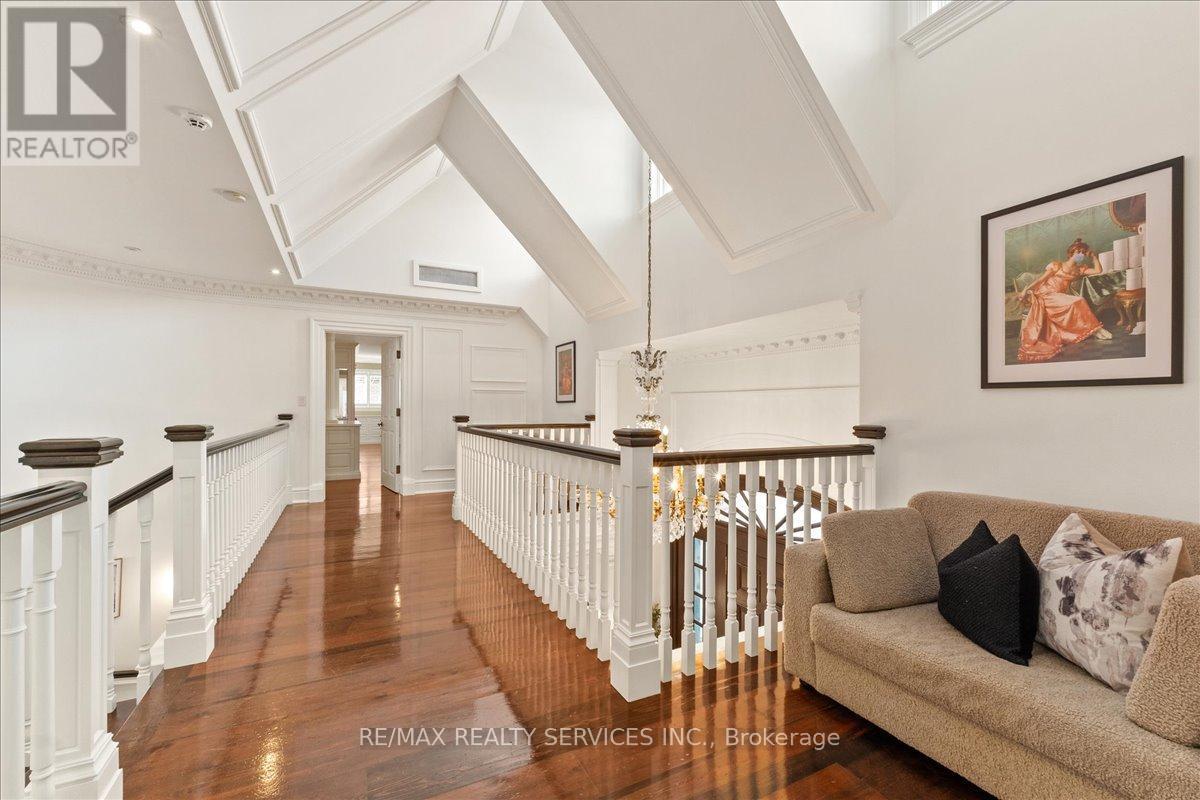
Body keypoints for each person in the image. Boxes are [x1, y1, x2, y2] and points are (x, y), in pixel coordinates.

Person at [1017, 238, 1113, 362]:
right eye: (1078, 252)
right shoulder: (1057, 265)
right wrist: (1026, 289)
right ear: (1071, 253)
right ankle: (1095, 330)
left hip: (1059, 296)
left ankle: (1094, 330)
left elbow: (1098, 271)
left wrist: (1094, 256)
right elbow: (1041, 280)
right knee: (1077, 301)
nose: (1081, 255)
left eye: (1083, 253)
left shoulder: (1080, 269)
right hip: (1046, 294)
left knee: (1078, 301)